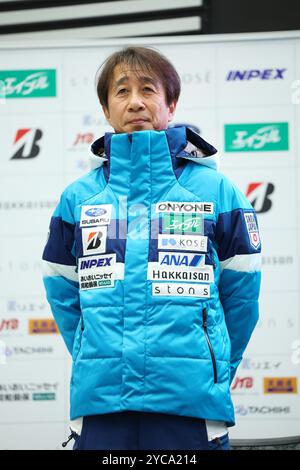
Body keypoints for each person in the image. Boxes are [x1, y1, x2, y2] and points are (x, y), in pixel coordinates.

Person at [42, 46, 261, 451]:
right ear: (106, 110)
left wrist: (214, 368)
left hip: (191, 402)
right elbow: (62, 289)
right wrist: (97, 354)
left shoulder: (217, 191)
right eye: (121, 91)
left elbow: (242, 295)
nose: (136, 101)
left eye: (148, 89)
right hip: (103, 400)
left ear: (170, 104)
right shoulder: (79, 198)